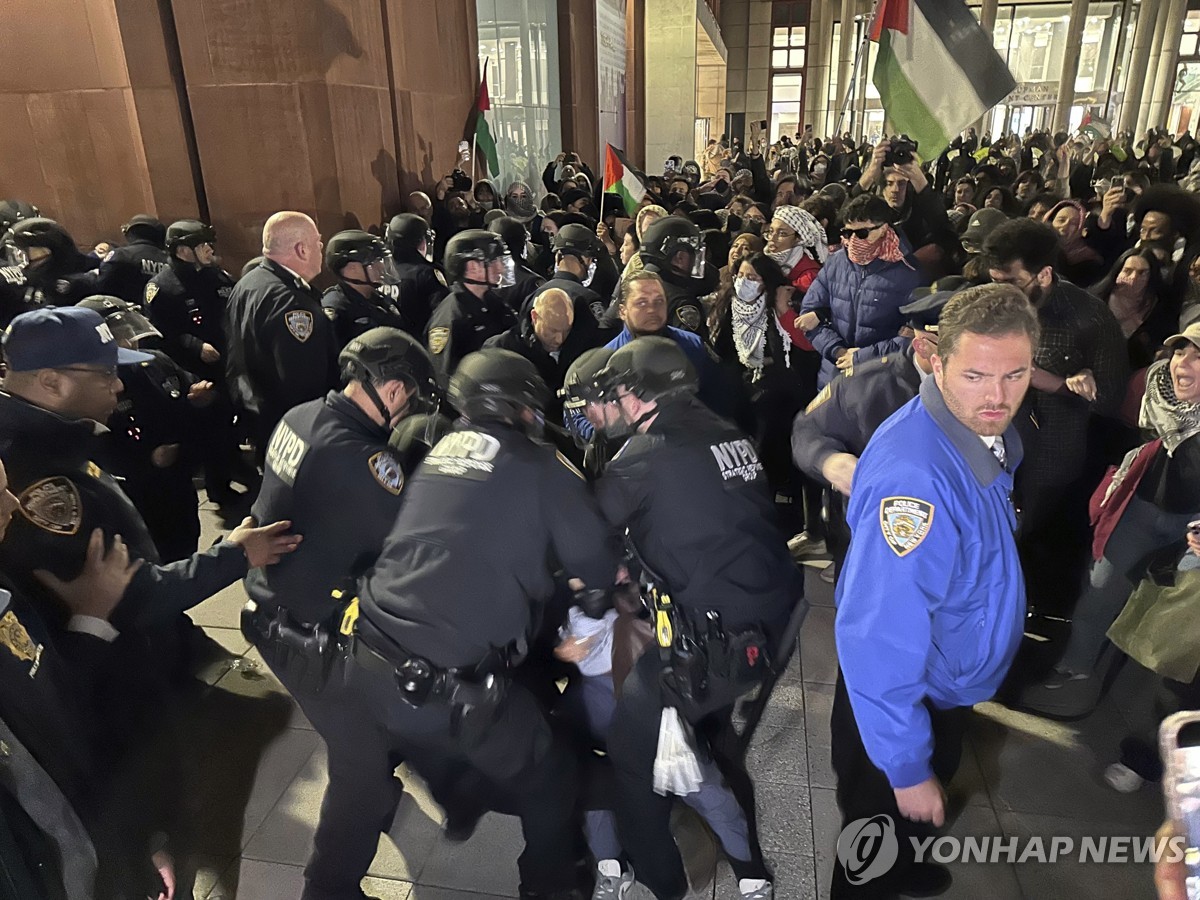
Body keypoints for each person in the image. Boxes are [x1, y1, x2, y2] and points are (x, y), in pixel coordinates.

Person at [350, 349, 621, 900]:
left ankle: (460, 804)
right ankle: (548, 889)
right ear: (524, 407)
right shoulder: (545, 467)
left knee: (435, 742)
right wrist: (592, 610)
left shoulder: (442, 449)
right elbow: (594, 565)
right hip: (453, 683)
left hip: (369, 660)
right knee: (553, 782)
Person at [830, 284, 1039, 898]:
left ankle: (906, 863)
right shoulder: (915, 481)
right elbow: (877, 634)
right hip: (903, 698)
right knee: (869, 852)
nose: (998, 397)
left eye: (1016, 374)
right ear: (934, 358)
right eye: (976, 375)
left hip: (939, 680)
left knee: (911, 827)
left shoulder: (975, 429)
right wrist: (904, 765)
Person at [594, 336, 804, 900]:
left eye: (616, 393)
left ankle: (662, 882)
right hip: (769, 622)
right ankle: (746, 861)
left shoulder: (644, 455)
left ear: (639, 396)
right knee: (699, 738)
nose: (612, 403)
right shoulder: (727, 430)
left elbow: (584, 537)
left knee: (627, 753)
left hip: (710, 644)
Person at [245, 327, 440, 900]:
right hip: (308, 635)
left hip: (269, 607)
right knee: (361, 766)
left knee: (375, 732)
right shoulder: (366, 461)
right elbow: (410, 546)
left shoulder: (301, 416)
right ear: (396, 389)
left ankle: (379, 799)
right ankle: (328, 888)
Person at [1021, 324, 1200, 718]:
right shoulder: (1156, 390)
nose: (1181, 364)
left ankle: (1143, 715)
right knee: (1100, 590)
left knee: (1164, 618)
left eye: (1198, 356)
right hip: (1140, 509)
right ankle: (1076, 672)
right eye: (1180, 350)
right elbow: (1111, 409)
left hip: (1192, 531)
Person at [983, 218, 1130, 616]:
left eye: (1011, 282)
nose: (1000, 293)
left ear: (1044, 274)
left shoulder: (1089, 318)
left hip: (1053, 455)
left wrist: (1059, 384)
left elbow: (1109, 401)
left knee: (1027, 540)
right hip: (993, 442)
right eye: (994, 280)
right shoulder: (996, 305)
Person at [78, 295, 208, 563]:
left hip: (178, 481)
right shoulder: (88, 388)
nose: (130, 341)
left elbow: (186, 387)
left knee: (185, 544)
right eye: (119, 337)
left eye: (128, 332)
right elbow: (93, 450)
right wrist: (146, 460)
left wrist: (199, 396)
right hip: (136, 493)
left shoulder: (155, 361)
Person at [145, 219, 243, 506]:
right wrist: (194, 344)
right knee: (208, 430)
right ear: (183, 251)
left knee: (229, 422)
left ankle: (233, 465)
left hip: (227, 363)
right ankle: (218, 488)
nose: (209, 250)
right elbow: (158, 334)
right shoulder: (162, 286)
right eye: (202, 245)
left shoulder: (218, 277)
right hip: (193, 372)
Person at [224, 211, 338, 454]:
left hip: (258, 417)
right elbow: (303, 383)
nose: (321, 249)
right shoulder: (292, 303)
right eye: (318, 242)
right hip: (294, 433)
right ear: (302, 250)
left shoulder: (249, 282)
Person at [800, 193, 927, 386]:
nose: (853, 240)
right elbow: (808, 316)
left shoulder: (909, 273)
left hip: (880, 379)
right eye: (847, 232)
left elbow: (916, 336)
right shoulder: (836, 262)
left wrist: (862, 357)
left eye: (861, 234)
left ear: (884, 228)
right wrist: (837, 351)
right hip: (833, 375)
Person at [484, 288, 596, 421]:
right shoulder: (504, 350)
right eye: (552, 330)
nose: (559, 339)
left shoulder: (580, 343)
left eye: (566, 331)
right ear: (534, 317)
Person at [424, 229, 518, 379]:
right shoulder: (451, 317)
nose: (500, 267)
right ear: (472, 267)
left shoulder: (494, 302)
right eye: (494, 261)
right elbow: (445, 376)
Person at [1090, 247, 1179, 369]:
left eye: (1142, 273)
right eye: (1127, 271)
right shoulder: (1095, 300)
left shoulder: (1159, 308)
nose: (1133, 278)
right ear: (1118, 272)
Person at [320, 229, 407, 349]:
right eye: (374, 261)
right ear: (352, 268)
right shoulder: (337, 308)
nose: (381, 265)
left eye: (381, 260)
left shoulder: (382, 301)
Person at [636, 217, 716, 340]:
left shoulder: (631, 287)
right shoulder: (682, 302)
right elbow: (696, 352)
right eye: (695, 254)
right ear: (680, 258)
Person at [2, 217, 99, 306]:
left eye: (24, 250)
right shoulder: (27, 282)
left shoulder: (84, 283)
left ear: (48, 251)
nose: (18, 255)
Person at [383, 212, 449, 338]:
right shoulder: (426, 274)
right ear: (420, 242)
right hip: (417, 347)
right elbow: (443, 315)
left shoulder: (378, 272)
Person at [91, 215, 170, 306]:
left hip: (128, 315)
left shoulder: (121, 255)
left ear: (130, 234)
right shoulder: (170, 261)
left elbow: (102, 286)